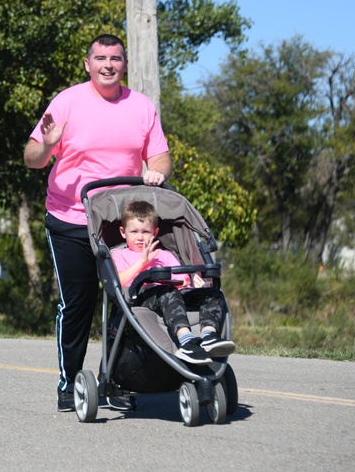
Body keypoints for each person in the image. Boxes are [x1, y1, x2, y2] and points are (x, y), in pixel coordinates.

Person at [24, 33, 172, 413]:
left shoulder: (141, 107)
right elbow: (32, 158)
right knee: (79, 302)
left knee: (124, 299)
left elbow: (160, 159)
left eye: (116, 58)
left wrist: (155, 173)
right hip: (69, 217)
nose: (108, 64)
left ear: (124, 65)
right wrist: (47, 142)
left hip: (118, 221)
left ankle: (118, 378)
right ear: (87, 63)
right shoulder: (66, 102)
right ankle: (69, 382)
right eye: (101, 58)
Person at [112, 200, 236, 364]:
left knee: (213, 293)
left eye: (145, 231)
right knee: (167, 292)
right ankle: (186, 341)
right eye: (134, 231)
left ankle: (208, 336)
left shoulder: (165, 255)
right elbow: (118, 282)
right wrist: (142, 262)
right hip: (140, 296)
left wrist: (190, 281)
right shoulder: (118, 254)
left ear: (155, 232)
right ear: (123, 232)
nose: (140, 237)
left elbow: (183, 278)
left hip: (173, 293)